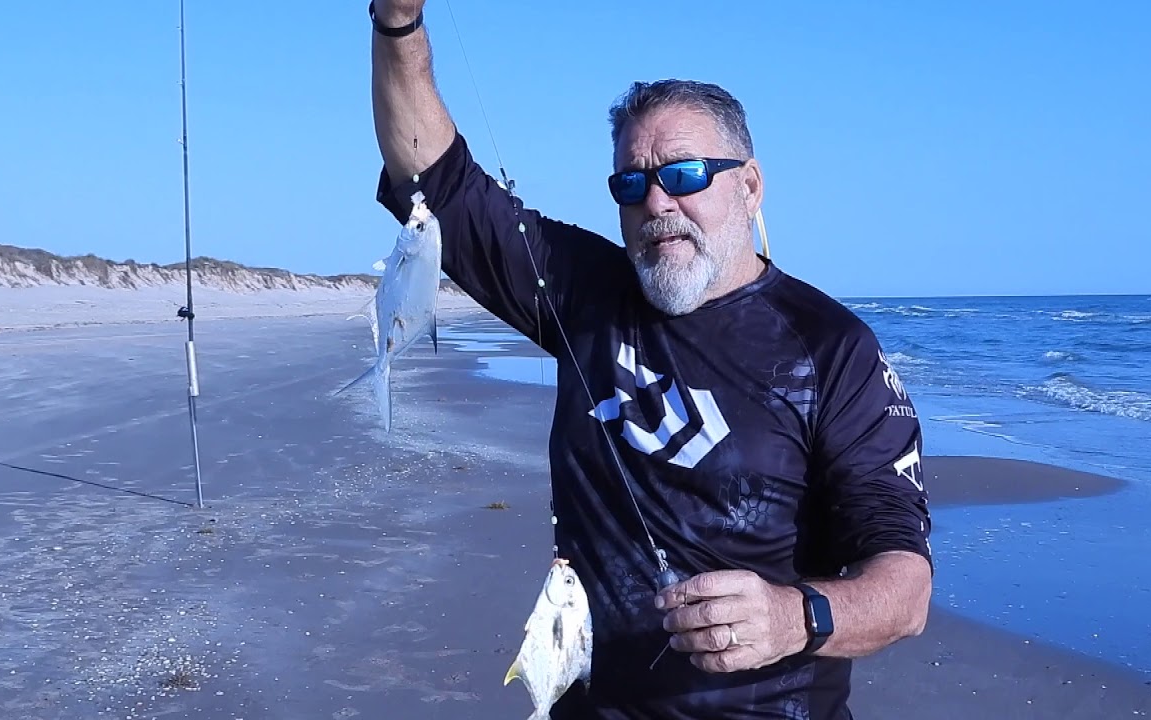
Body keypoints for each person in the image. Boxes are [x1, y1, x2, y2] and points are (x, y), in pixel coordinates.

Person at [367, 2, 934, 718]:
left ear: (749, 185)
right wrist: (397, 20)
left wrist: (796, 617)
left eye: (686, 173)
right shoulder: (584, 294)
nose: (657, 201)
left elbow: (904, 587)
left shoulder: (830, 348)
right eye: (631, 184)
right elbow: (430, 176)